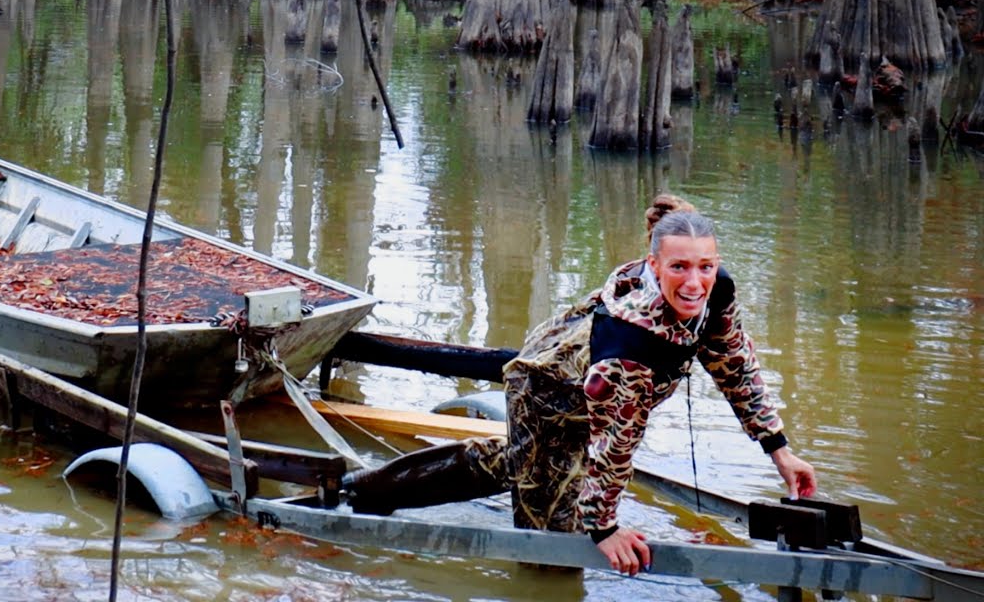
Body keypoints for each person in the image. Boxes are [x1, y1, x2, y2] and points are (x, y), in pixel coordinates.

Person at [343, 194, 816, 576]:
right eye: (679, 268)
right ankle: (366, 495)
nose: (695, 282)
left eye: (705, 267)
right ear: (654, 266)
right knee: (551, 557)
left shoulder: (716, 290)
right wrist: (602, 528)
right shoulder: (629, 345)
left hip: (587, 384)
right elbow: (616, 443)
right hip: (547, 389)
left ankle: (370, 489)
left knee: (520, 465)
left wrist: (778, 448)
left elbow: (733, 362)